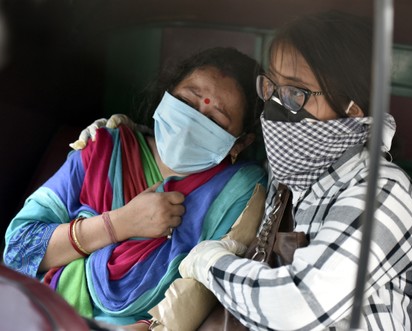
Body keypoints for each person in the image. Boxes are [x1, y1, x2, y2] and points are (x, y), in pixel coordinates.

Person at [179, 11, 412, 330]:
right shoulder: (285, 177)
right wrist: (120, 139)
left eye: (296, 93)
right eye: (271, 87)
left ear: (352, 109)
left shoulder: (383, 190)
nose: (275, 106)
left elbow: (296, 306)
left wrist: (209, 262)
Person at [3, 47, 267, 327]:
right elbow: (20, 250)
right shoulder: (104, 148)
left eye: (214, 120)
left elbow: (201, 293)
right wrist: (118, 224)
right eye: (187, 104)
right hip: (42, 314)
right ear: (166, 97)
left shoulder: (238, 191)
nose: (193, 122)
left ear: (240, 143)